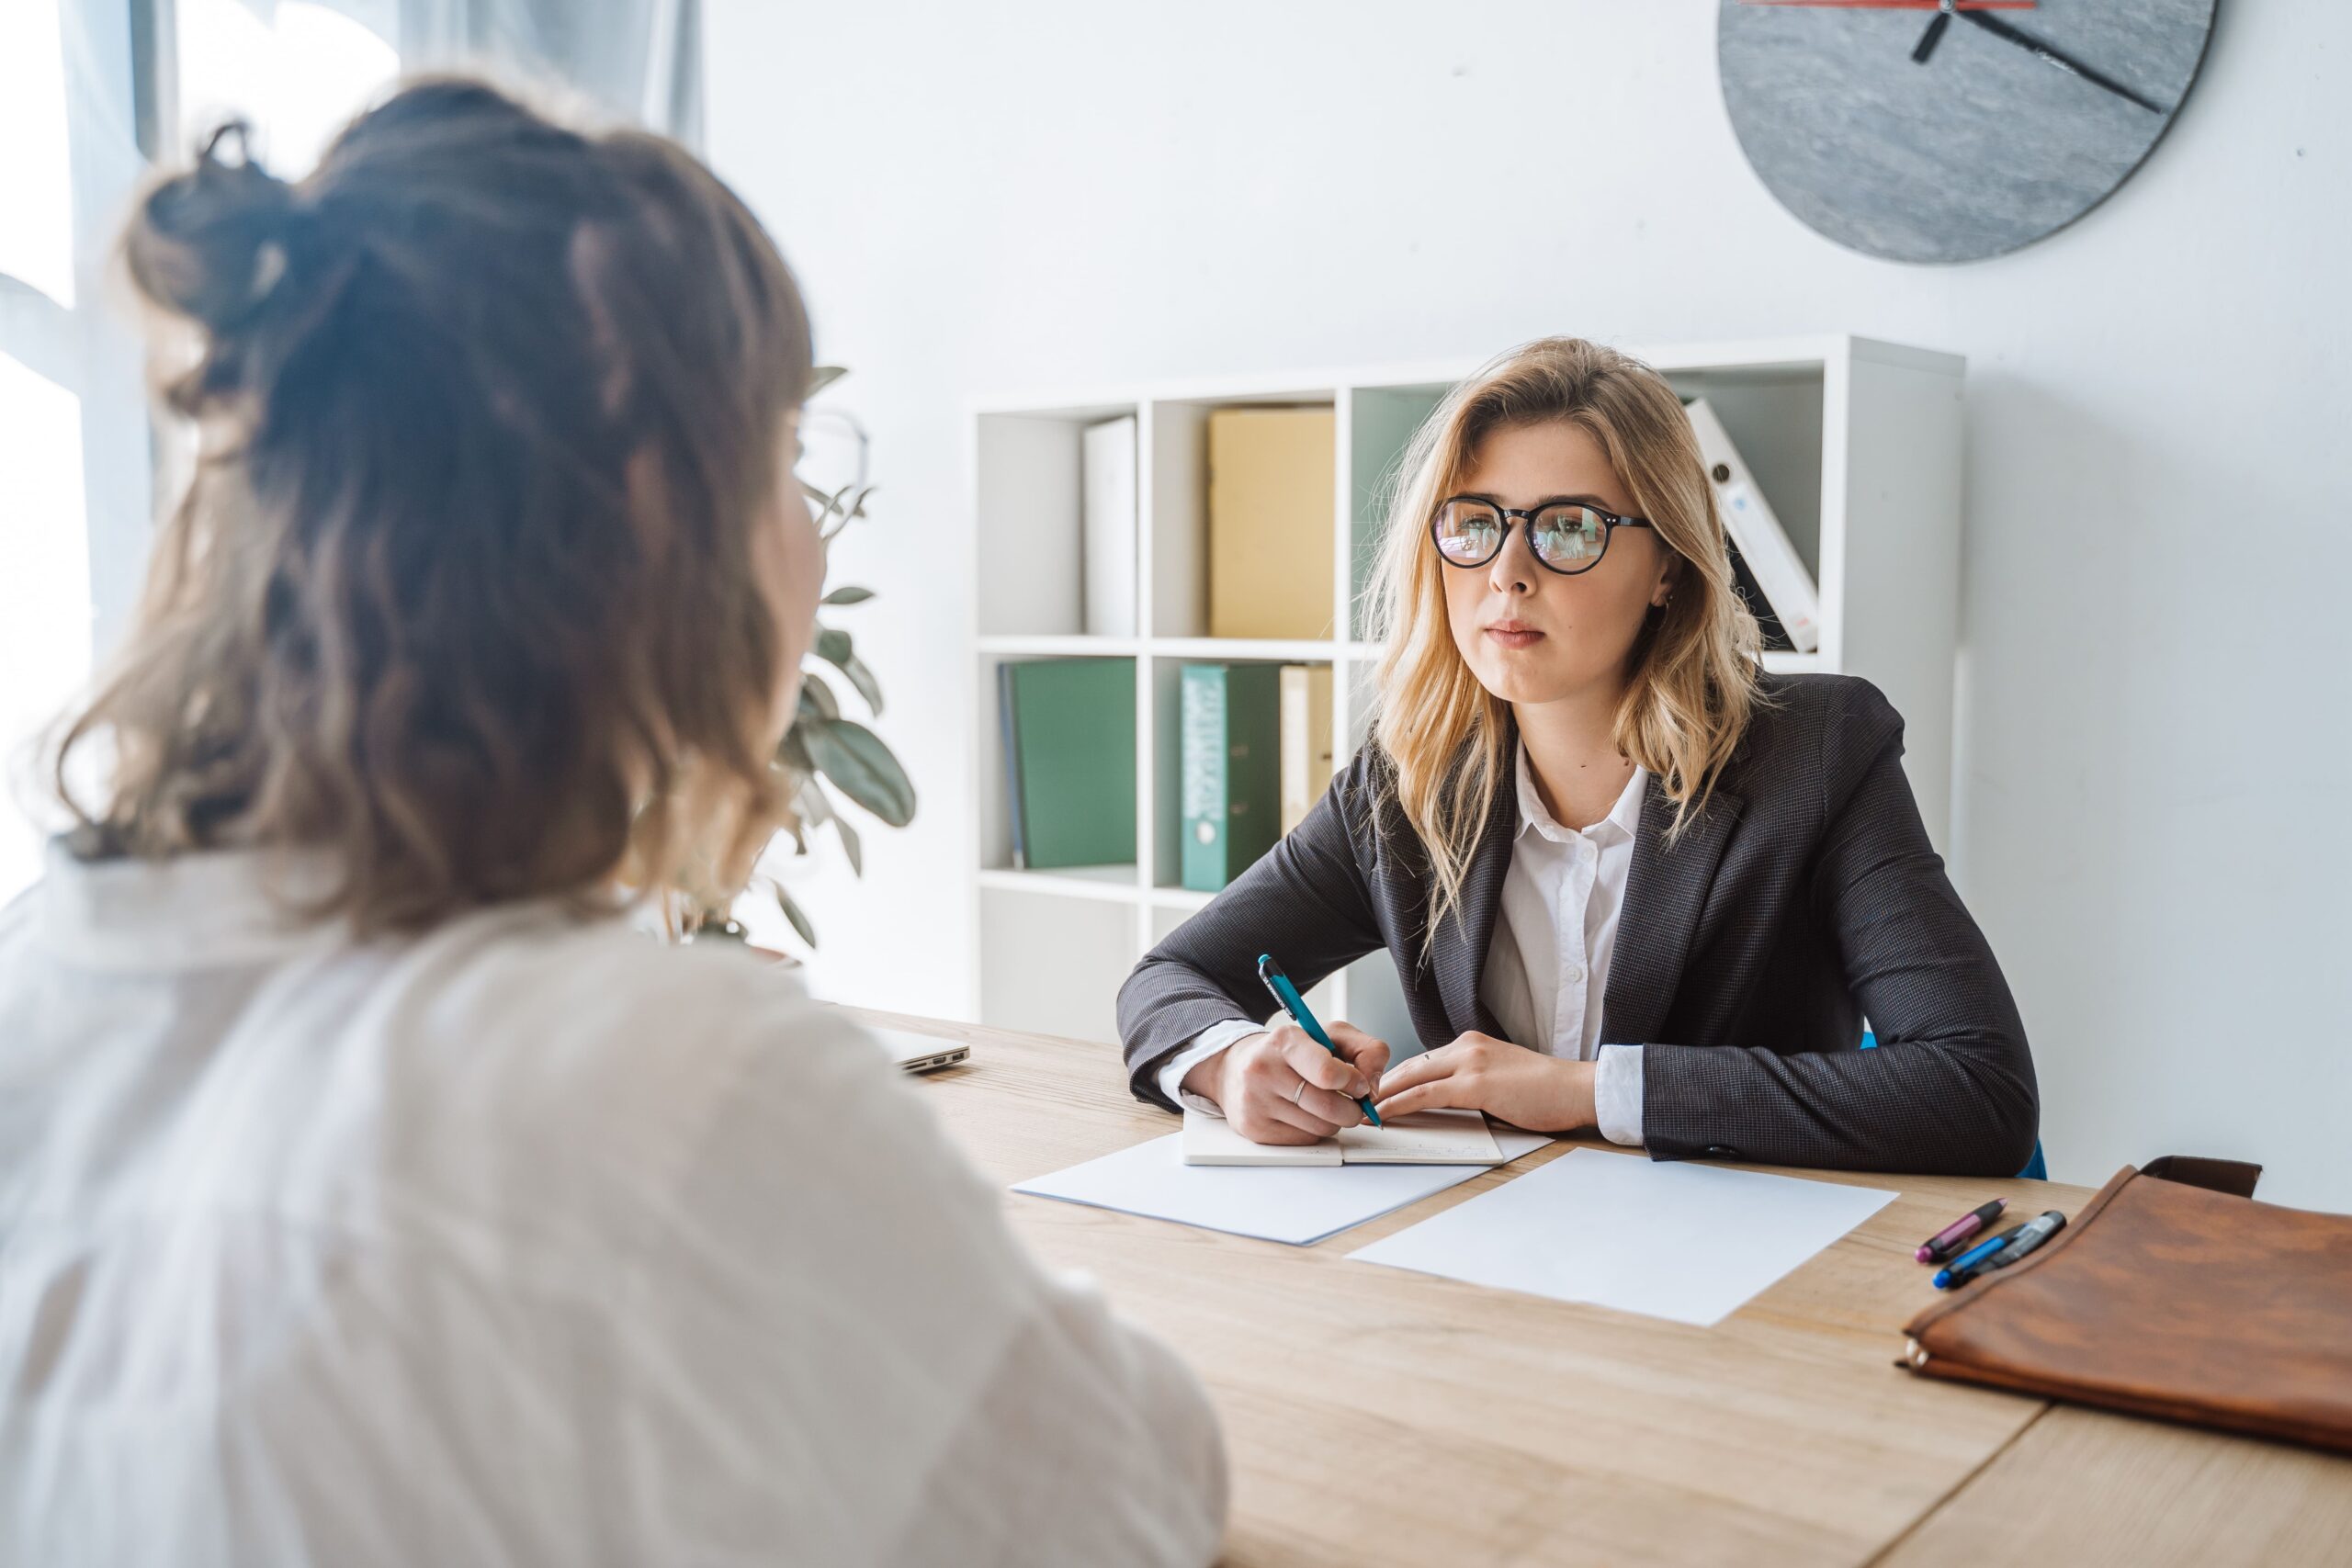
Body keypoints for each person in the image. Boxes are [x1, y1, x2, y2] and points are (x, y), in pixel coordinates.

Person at [0, 78, 1224, 1567]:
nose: (811, 536)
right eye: (779, 458)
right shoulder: (666, 1077)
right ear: (654, 520)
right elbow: (1125, 1492)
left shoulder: (41, 967)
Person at [1118, 337, 2038, 1176]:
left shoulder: (1819, 756)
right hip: (1496, 1252)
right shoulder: (1403, 781)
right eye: (1473, 523)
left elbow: (1976, 1090)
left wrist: (1583, 1092)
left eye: (1567, 529)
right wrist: (1233, 1063)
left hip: (1740, 1271)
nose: (1506, 574)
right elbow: (1171, 980)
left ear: (1669, 567)